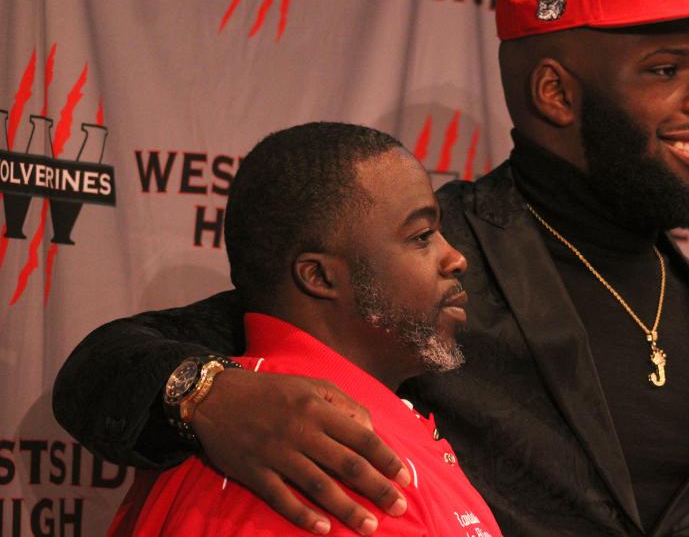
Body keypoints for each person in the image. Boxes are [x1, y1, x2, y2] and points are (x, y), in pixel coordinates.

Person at [54, 0, 689, 537]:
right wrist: (205, 394)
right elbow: (110, 362)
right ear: (555, 92)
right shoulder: (431, 259)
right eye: (664, 69)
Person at [107, 122, 503, 536]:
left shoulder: (296, 430)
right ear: (319, 276)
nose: (456, 258)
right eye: (422, 236)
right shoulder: (320, 462)